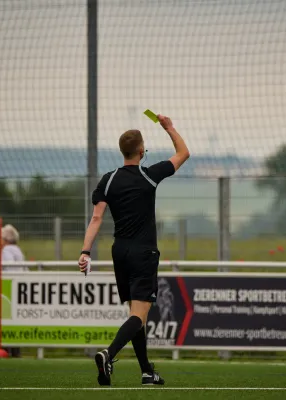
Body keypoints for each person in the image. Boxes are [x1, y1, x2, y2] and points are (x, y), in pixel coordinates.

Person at [78, 114, 190, 386]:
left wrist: (85, 252)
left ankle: (146, 372)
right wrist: (168, 127)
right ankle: (109, 353)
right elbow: (183, 153)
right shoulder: (149, 175)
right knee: (138, 316)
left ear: (122, 151)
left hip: (120, 252)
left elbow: (96, 218)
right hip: (144, 253)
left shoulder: (108, 180)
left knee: (136, 314)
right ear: (141, 151)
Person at [0, 224, 26, 357]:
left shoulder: (6, 251)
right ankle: (15, 352)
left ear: (5, 239)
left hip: (9, 290)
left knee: (7, 322)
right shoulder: (17, 250)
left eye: (0, 238)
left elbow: (9, 269)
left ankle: (8, 350)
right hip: (19, 290)